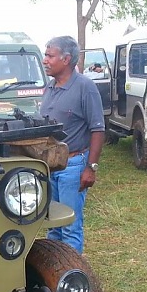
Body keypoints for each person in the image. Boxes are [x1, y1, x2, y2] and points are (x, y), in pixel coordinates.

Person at [39, 36, 105, 254]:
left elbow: (98, 129)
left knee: (69, 226)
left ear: (66, 59)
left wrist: (91, 168)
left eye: (50, 55)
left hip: (73, 166)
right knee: (52, 226)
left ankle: (71, 278)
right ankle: (53, 272)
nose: (45, 60)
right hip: (50, 168)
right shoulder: (49, 88)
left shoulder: (85, 87)